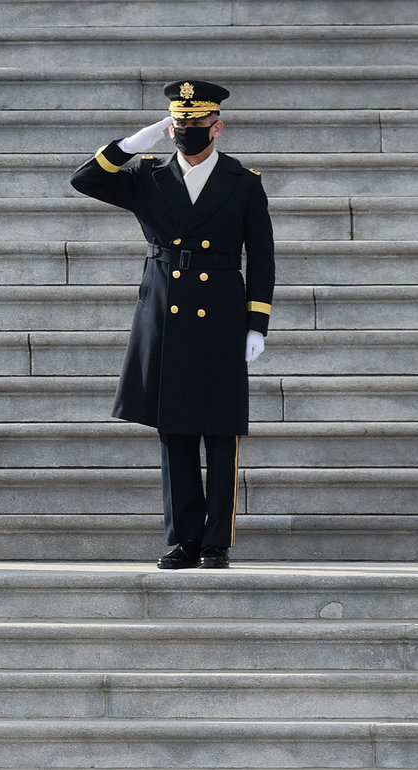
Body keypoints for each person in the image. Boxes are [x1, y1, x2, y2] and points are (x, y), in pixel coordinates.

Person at [71, 79, 275, 570]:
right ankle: (183, 538)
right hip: (165, 312)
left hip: (222, 313)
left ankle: (215, 542)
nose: (185, 131)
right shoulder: (148, 175)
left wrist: (256, 323)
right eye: (178, 124)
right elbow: (84, 180)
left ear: (217, 126)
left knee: (220, 431)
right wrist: (128, 146)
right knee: (175, 430)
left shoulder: (243, 181)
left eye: (196, 123)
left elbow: (262, 258)